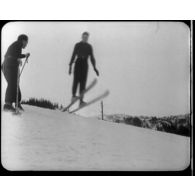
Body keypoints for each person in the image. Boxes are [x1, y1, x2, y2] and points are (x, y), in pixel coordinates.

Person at [68, 32, 99, 106]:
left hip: (85, 64)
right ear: (82, 37)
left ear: (87, 38)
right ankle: (73, 96)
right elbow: (73, 55)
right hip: (78, 63)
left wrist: (95, 68)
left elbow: (92, 58)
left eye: (86, 37)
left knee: (83, 83)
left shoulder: (89, 47)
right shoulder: (77, 45)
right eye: (84, 37)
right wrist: (70, 66)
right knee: (76, 80)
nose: (85, 38)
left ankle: (81, 101)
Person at [2, 34, 30, 112]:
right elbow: (10, 56)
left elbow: (15, 55)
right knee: (12, 83)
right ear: (23, 41)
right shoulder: (18, 44)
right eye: (26, 42)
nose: (26, 44)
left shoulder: (17, 45)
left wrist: (24, 55)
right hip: (8, 65)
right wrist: (17, 59)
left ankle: (16, 103)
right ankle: (8, 104)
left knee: (15, 83)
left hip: (9, 65)